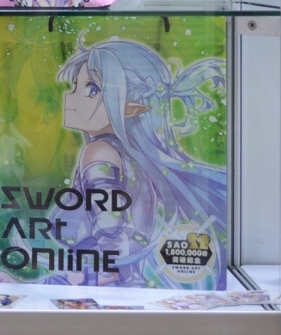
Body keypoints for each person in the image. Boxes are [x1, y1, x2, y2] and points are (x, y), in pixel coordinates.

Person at [50, 37, 227, 287]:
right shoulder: (131, 158)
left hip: (101, 281)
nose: (70, 97)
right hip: (124, 280)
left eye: (92, 90)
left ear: (131, 109)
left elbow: (110, 230)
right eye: (76, 85)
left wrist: (75, 279)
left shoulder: (99, 152)